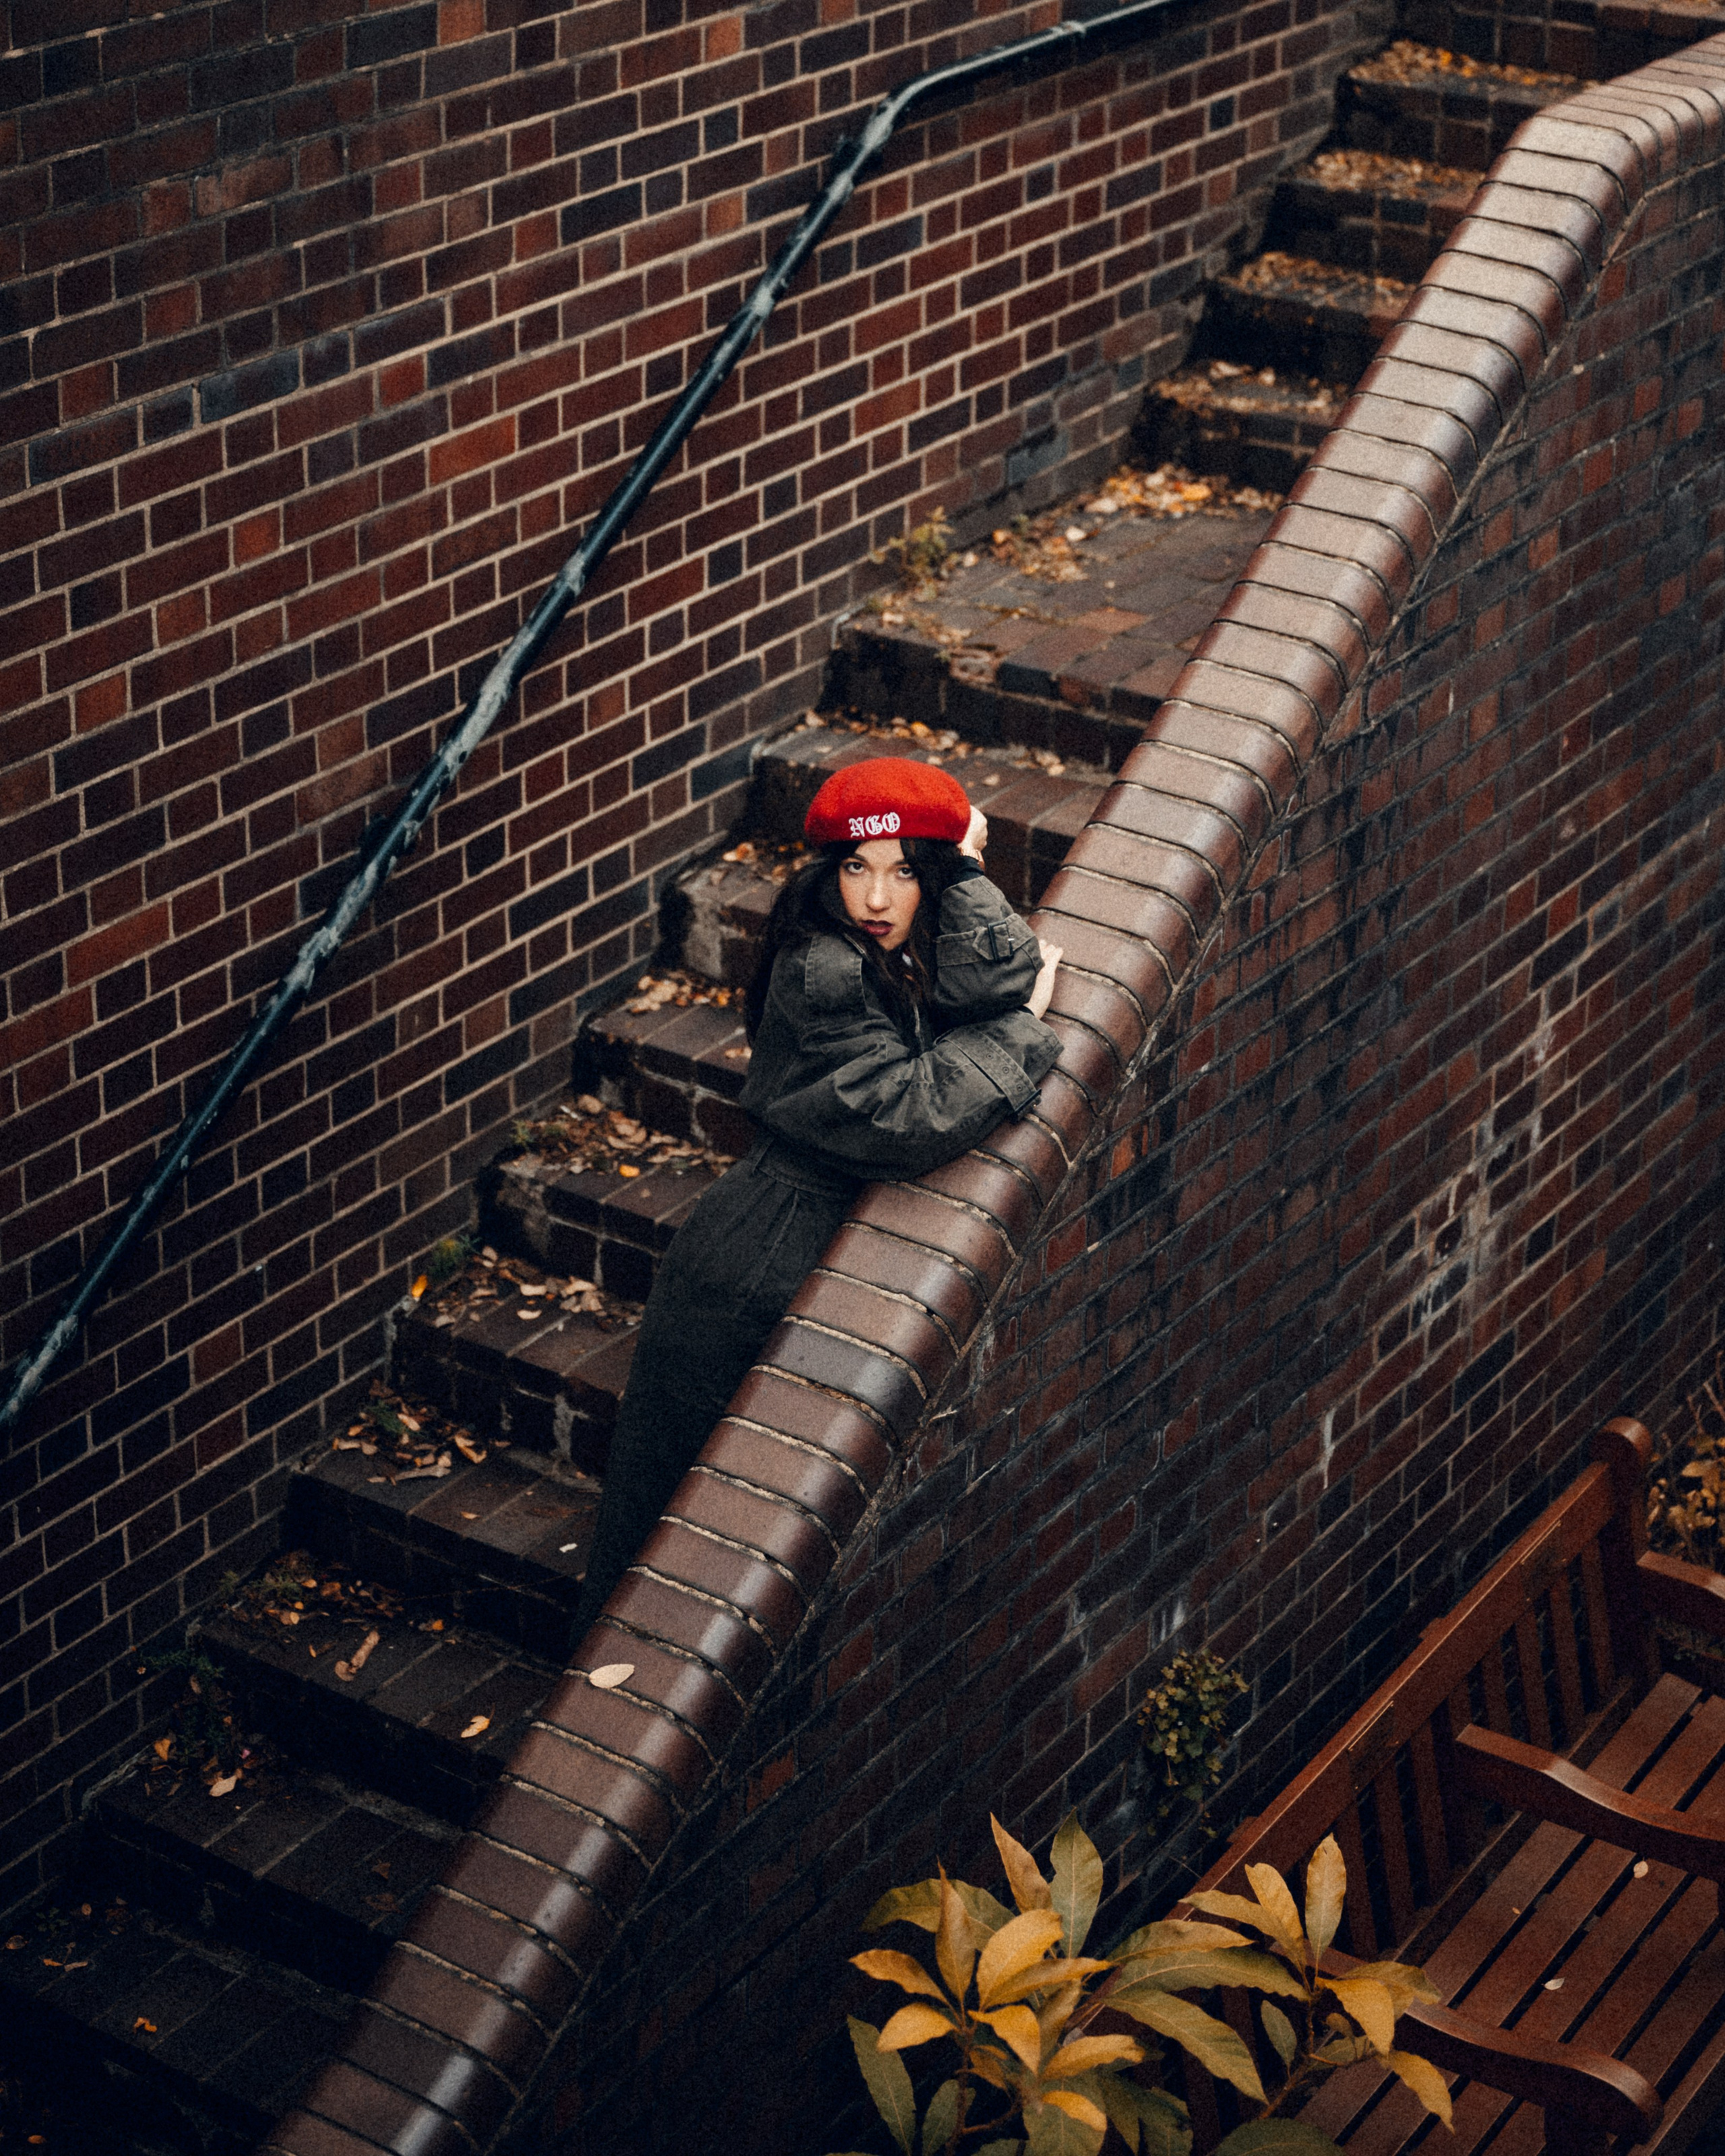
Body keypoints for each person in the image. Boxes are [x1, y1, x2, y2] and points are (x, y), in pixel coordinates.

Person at [569, 756, 1063, 1640]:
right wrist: (1019, 1038)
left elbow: (993, 978)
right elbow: (906, 1112)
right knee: (668, 1522)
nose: (877, 897)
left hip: (799, 1239)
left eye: (905, 872)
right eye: (856, 868)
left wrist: (968, 867)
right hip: (753, 1260)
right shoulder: (822, 969)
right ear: (826, 874)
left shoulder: (888, 945)